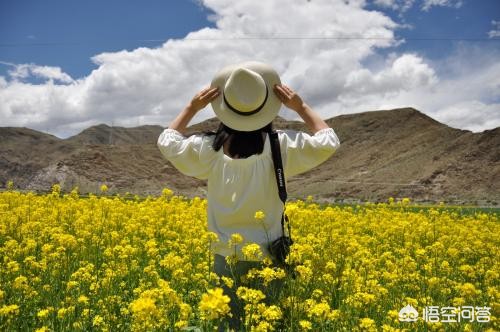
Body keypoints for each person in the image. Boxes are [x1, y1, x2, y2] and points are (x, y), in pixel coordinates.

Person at [157, 61, 340, 330]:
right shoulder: (281, 146)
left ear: (224, 109)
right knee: (267, 323)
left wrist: (191, 108)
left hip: (225, 254)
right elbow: (329, 141)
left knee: (225, 325)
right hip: (269, 255)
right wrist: (300, 107)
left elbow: (167, 142)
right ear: (265, 108)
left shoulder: (209, 149)